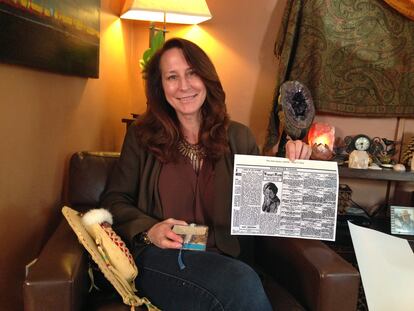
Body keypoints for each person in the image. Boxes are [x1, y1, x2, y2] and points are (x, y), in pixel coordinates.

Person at [101, 38, 311, 311]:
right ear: (160, 86)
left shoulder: (239, 136)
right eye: (172, 77)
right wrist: (149, 230)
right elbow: (114, 200)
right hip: (164, 257)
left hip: (227, 259)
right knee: (240, 282)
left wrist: (293, 165)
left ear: (206, 79)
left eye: (192, 73)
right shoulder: (141, 137)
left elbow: (265, 206)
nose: (184, 86)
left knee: (238, 280)